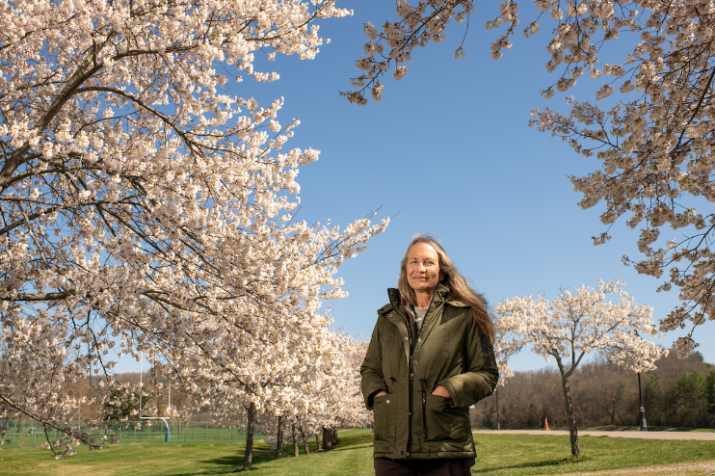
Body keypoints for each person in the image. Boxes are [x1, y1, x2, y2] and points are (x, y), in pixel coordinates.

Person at [360, 234, 498, 476]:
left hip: (446, 447)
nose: (420, 268)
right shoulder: (386, 319)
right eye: (413, 262)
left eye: (428, 262)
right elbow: (370, 369)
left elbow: (486, 374)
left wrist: (449, 390)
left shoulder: (464, 316)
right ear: (405, 271)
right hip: (391, 450)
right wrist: (379, 395)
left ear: (442, 272)